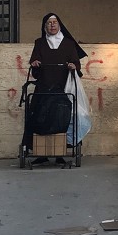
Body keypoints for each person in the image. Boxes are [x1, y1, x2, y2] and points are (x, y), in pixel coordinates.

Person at [21, 12, 87, 164]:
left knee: (62, 118)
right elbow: (35, 69)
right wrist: (35, 64)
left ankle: (60, 153)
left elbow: (77, 65)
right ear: (45, 26)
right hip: (43, 88)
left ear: (59, 25)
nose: (52, 25)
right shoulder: (39, 43)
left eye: (55, 22)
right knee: (39, 118)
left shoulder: (69, 44)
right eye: (49, 23)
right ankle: (41, 153)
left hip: (63, 89)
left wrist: (72, 66)